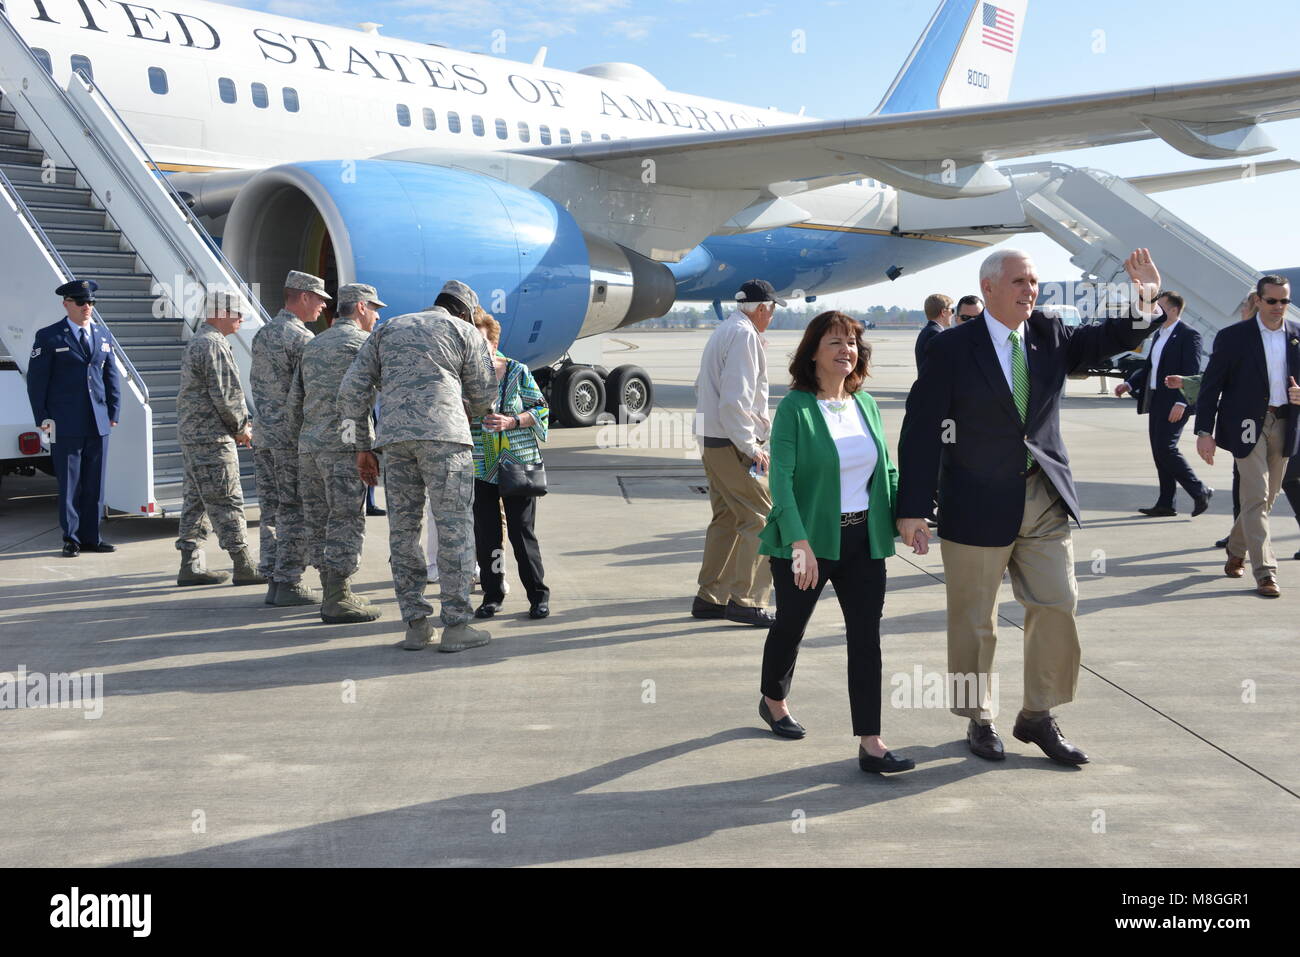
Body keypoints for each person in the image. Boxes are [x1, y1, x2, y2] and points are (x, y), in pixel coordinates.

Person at [897, 247, 1164, 766]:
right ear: (990, 287)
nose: (1030, 290)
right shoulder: (951, 349)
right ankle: (979, 719)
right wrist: (912, 506)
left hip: (1042, 495)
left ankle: (1038, 715)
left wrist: (1143, 296)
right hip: (974, 499)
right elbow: (921, 429)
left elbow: (1111, 338)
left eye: (1035, 281)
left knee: (1057, 603)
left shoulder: (1049, 334)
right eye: (1020, 281)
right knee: (976, 620)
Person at [757, 311, 912, 774]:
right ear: (813, 354)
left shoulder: (866, 404)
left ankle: (871, 741)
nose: (846, 349)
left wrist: (906, 516)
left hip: (864, 538)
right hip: (810, 540)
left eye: (852, 342)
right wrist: (798, 541)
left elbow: (885, 468)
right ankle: (773, 698)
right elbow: (779, 480)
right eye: (834, 343)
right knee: (791, 625)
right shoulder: (796, 408)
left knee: (866, 638)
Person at [337, 280, 496, 652]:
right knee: (454, 528)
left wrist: (363, 445)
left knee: (404, 533)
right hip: (445, 438)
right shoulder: (463, 331)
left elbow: (351, 391)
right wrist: (469, 414)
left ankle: (416, 625)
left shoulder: (389, 328)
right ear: (464, 311)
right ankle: (456, 625)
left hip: (393, 441)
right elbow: (484, 391)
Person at [1194, 275, 1300, 598]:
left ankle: (1236, 547)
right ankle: (1266, 572)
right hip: (1246, 424)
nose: (1278, 307)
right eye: (1272, 301)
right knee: (1256, 494)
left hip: (1285, 422)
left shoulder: (1297, 336)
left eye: (1284, 301)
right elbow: (1211, 386)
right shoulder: (1233, 337)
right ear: (1257, 300)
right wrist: (1204, 431)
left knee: (1269, 497)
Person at [288, 283, 386, 624]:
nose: (376, 316)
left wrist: (304, 439)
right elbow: (357, 402)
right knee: (345, 518)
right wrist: (364, 448)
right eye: (374, 308)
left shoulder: (312, 345)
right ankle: (338, 597)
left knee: (318, 520)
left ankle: (331, 590)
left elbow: (293, 403)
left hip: (309, 446)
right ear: (360, 307)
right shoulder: (363, 344)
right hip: (344, 448)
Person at [691, 278, 781, 627]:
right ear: (762, 309)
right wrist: (750, 446)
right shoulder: (744, 335)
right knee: (762, 519)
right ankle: (746, 600)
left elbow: (703, 387)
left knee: (727, 519)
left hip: (713, 440)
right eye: (771, 311)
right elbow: (735, 399)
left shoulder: (726, 329)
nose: (771, 318)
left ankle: (710, 596)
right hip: (731, 443)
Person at [173, 291, 266, 586]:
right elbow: (226, 394)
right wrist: (241, 427)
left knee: (197, 500)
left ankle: (190, 563)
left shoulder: (200, 340)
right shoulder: (212, 343)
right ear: (219, 312)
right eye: (237, 313)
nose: (241, 318)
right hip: (212, 437)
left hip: (195, 435)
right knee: (227, 499)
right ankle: (243, 563)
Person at [25, 279, 120, 557]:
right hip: (65, 422)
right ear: (66, 304)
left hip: (98, 421)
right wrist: (42, 417)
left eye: (91, 302)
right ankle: (72, 538)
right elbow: (37, 381)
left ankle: (92, 536)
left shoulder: (102, 335)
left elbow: (110, 375)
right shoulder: (50, 336)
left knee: (95, 482)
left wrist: (113, 411)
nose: (87, 307)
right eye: (81, 302)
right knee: (70, 484)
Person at [251, 270, 328, 606]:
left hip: (264, 436)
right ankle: (289, 582)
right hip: (290, 439)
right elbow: (310, 392)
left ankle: (272, 577)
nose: (324, 307)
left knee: (271, 510)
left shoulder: (264, 333)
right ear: (304, 296)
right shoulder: (301, 339)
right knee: (294, 508)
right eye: (320, 299)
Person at [468, 310, 552, 620]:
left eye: (482, 342)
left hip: (518, 467)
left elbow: (542, 410)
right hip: (481, 467)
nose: (477, 349)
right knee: (487, 536)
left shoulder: (517, 372)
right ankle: (492, 594)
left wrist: (512, 421)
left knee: (521, 533)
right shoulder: (466, 377)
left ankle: (538, 595)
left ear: (492, 341)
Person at [1113, 291, 1212, 517]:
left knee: (1166, 448)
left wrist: (1182, 402)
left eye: (1161, 307)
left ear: (1175, 310)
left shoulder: (1190, 335)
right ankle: (1166, 503)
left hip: (1175, 400)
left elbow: (1191, 372)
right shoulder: (1159, 334)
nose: (1155, 311)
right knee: (1159, 451)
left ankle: (1200, 491)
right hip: (1157, 399)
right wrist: (1129, 384)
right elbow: (1150, 368)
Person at [914, 293, 954, 370]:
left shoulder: (927, 331)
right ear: (943, 312)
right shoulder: (935, 333)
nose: (952, 314)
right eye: (952, 310)